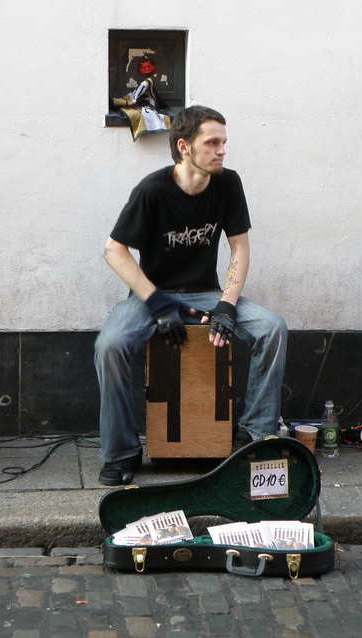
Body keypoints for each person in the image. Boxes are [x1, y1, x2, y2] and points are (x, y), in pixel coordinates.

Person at [95, 105, 288, 486]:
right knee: (110, 345)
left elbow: (240, 250)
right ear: (184, 147)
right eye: (212, 143)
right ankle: (121, 452)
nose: (221, 151)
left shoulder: (228, 184)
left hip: (206, 292)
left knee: (273, 328)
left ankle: (252, 436)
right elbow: (113, 250)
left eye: (224, 143)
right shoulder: (153, 189)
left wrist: (227, 305)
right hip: (153, 296)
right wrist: (157, 301)